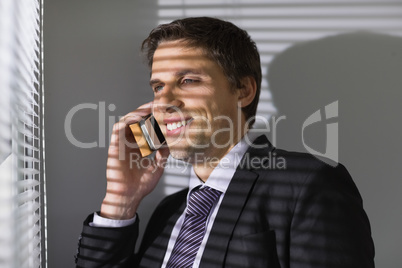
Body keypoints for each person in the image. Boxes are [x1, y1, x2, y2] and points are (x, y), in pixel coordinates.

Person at [75, 17, 374, 268]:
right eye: (157, 86)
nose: (164, 101)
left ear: (243, 90)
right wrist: (121, 200)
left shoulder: (308, 184)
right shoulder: (168, 210)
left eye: (188, 80)